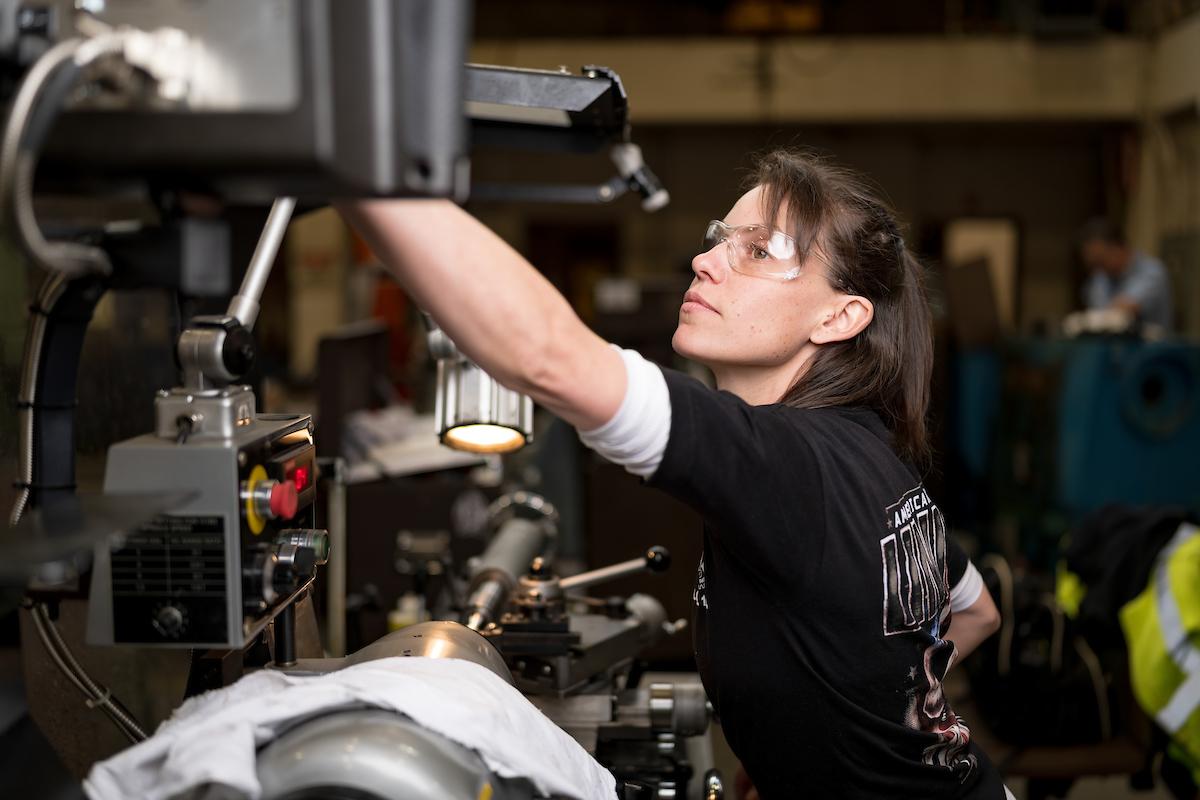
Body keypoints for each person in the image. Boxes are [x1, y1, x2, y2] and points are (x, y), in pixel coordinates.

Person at [338, 149, 1007, 799]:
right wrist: (804, 757)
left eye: (757, 251)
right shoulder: (859, 452)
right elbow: (975, 610)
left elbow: (552, 359)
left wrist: (348, 163)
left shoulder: (789, 464)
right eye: (719, 240)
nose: (704, 261)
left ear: (840, 316)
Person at [1079, 217, 1172, 330]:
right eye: (1093, 264)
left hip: (1152, 345)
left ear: (1118, 249)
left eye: (1101, 260)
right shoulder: (1101, 277)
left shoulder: (1152, 271)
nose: (1098, 269)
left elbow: (1122, 310)